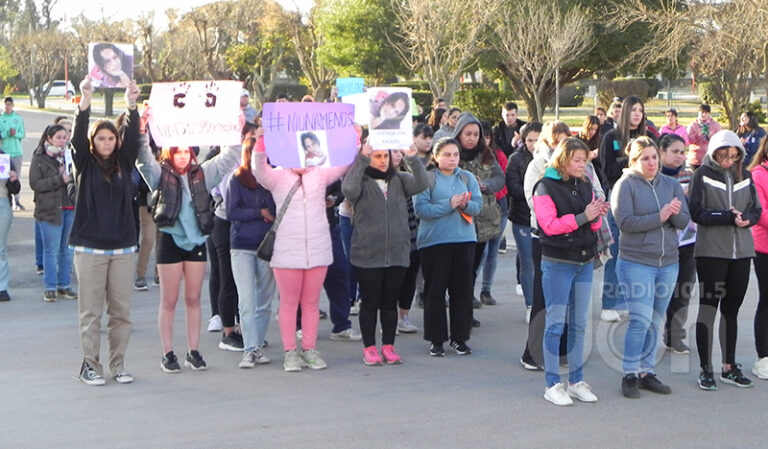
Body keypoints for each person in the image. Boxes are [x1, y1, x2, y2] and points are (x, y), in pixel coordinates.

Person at [136, 110, 241, 374]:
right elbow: (143, 160)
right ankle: (167, 353)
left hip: (196, 242)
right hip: (170, 240)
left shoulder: (203, 173)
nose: (183, 155)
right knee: (168, 300)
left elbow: (230, 157)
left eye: (187, 151)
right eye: (177, 151)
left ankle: (193, 351)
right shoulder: (160, 173)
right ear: (170, 152)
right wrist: (141, 130)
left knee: (193, 299)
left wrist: (234, 129)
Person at [252, 135, 350, 372]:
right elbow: (258, 169)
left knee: (311, 304)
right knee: (288, 304)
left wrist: (353, 138)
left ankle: (309, 349)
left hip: (318, 250)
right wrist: (261, 142)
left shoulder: (320, 174)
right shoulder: (277, 176)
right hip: (287, 251)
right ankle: (290, 353)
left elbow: (344, 162)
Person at [69, 78, 141, 385]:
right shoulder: (84, 162)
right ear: (93, 141)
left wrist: (132, 104)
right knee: (91, 314)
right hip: (89, 249)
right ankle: (90, 365)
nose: (107, 142)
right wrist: (85, 101)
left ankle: (118, 364)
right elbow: (75, 140)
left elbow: (134, 138)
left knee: (121, 313)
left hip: (123, 249)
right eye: (101, 138)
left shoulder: (125, 162)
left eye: (111, 137)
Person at [612, 137, 690, 399]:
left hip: (668, 262)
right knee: (640, 320)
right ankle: (630, 374)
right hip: (636, 262)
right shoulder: (625, 185)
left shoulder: (670, 184)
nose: (651, 162)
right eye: (645, 158)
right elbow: (625, 223)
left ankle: (647, 371)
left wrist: (673, 214)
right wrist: (661, 216)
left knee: (656, 321)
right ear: (634, 160)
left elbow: (684, 220)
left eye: (654, 157)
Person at [534, 137, 606, 406]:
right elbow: (549, 225)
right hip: (557, 262)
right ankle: (552, 383)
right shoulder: (544, 186)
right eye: (578, 160)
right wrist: (584, 216)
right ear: (563, 159)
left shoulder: (585, 183)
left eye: (585, 160)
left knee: (579, 324)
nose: (582, 165)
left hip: (584, 262)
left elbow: (594, 227)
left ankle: (576, 381)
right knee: (555, 324)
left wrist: (597, 214)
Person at [342, 143, 428, 365]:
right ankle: (369, 347)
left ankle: (388, 346)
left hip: (397, 253)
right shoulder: (360, 181)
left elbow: (422, 182)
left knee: (390, 303)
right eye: (376, 156)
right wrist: (361, 158)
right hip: (367, 254)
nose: (382, 160)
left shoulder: (399, 180)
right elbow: (348, 190)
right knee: (370, 302)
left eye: (385, 156)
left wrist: (412, 158)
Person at [689, 130, 761, 390]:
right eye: (724, 155)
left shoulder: (746, 175)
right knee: (708, 310)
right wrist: (726, 216)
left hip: (741, 252)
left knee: (731, 311)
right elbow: (696, 212)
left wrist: (747, 219)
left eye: (734, 155)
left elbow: (756, 209)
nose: (729, 160)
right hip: (711, 253)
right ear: (714, 153)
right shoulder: (702, 175)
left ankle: (729, 366)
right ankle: (705, 368)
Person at [414, 138, 482, 356]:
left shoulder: (466, 177)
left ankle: (459, 338)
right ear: (436, 156)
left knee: (462, 291)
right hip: (435, 242)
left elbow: (478, 206)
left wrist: (465, 204)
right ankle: (436, 339)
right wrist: (449, 204)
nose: (452, 159)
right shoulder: (427, 178)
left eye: (455, 154)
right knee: (435, 291)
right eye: (446, 154)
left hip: (464, 240)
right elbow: (422, 210)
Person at [598, 95, 655, 323]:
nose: (637, 114)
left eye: (640, 110)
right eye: (633, 110)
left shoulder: (648, 137)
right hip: (619, 197)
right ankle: (609, 303)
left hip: (644, 198)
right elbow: (608, 170)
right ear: (624, 113)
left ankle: (630, 302)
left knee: (639, 254)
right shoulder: (611, 137)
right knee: (616, 251)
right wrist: (632, 159)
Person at [520, 120, 571, 370]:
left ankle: (561, 351)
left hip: (572, 238)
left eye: (566, 139)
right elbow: (534, 201)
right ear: (548, 141)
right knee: (543, 297)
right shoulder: (537, 165)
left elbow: (595, 191)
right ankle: (532, 353)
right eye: (557, 140)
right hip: (543, 237)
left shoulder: (576, 165)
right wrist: (566, 211)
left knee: (567, 297)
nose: (561, 145)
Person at [226, 138, 277, 368]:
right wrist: (260, 212)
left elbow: (277, 209)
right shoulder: (236, 179)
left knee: (265, 301)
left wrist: (268, 212)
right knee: (246, 300)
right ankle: (249, 348)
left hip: (267, 246)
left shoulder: (272, 177)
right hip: (242, 246)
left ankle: (256, 345)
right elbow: (231, 212)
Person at [451, 113, 505, 316]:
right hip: (459, 222)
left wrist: (485, 185)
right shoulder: (452, 154)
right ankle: (459, 311)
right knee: (460, 271)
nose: (472, 138)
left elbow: (500, 178)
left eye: (476, 134)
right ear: (459, 134)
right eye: (468, 134)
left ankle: (467, 311)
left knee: (473, 269)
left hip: (483, 222)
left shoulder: (486, 154)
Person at [658, 134, 697, 355]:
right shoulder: (653, 175)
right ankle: (647, 338)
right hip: (662, 242)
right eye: (675, 151)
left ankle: (675, 336)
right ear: (662, 152)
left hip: (688, 241)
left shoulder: (690, 175)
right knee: (659, 291)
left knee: (683, 290)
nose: (680, 156)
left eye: (683, 152)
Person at [29, 124, 77, 303]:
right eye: (59, 137)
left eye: (65, 137)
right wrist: (60, 179)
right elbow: (36, 184)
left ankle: (64, 285)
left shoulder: (70, 155)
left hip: (69, 208)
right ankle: (50, 287)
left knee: (66, 250)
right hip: (48, 211)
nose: (62, 141)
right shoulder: (40, 157)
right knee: (51, 250)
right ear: (49, 138)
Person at [506, 122, 542, 323]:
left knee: (542, 264)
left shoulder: (548, 159)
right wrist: (537, 196)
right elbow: (513, 188)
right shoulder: (516, 159)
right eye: (529, 140)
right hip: (522, 217)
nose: (533, 144)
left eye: (537, 140)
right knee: (527, 262)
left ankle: (541, 302)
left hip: (544, 219)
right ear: (523, 140)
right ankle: (530, 305)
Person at [478, 121, 508, 306]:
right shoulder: (469, 157)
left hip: (498, 208)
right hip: (476, 210)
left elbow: (502, 182)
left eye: (487, 136)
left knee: (492, 251)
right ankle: (470, 290)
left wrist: (488, 190)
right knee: (481, 252)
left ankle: (486, 289)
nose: (484, 140)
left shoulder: (499, 156)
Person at [748, 136, 768, 380]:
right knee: (767, 302)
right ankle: (763, 356)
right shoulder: (758, 175)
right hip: (764, 247)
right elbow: (761, 213)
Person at [0, 134, 20, 302]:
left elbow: (15, 189)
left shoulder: (5, 159)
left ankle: (1, 287)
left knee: (0, 248)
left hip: (2, 204)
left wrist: (13, 180)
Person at [0, 97, 26, 210]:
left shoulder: (18, 118)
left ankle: (17, 201)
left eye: (9, 104)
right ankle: (5, 201)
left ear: (13, 105)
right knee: (4, 178)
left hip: (16, 152)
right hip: (4, 152)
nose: (7, 107)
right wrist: (7, 133)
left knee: (15, 177)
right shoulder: (1, 118)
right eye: (6, 105)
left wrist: (15, 133)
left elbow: (22, 134)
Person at [687, 104, 722, 170]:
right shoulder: (693, 125)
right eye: (702, 112)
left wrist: (712, 138)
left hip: (711, 158)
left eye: (706, 113)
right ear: (698, 112)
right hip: (696, 159)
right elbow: (688, 140)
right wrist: (697, 135)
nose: (704, 115)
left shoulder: (715, 125)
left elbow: (720, 140)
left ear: (709, 114)